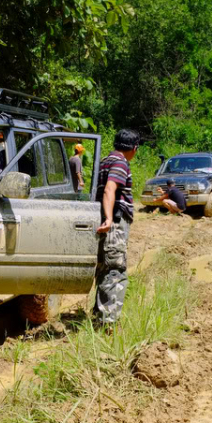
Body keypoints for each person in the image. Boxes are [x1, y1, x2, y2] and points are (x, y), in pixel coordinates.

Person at [94, 129, 140, 327]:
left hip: (108, 222)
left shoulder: (105, 160)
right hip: (114, 224)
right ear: (134, 148)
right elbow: (110, 188)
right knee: (115, 270)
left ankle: (99, 318)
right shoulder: (120, 162)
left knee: (105, 269)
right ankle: (108, 324)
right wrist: (110, 218)